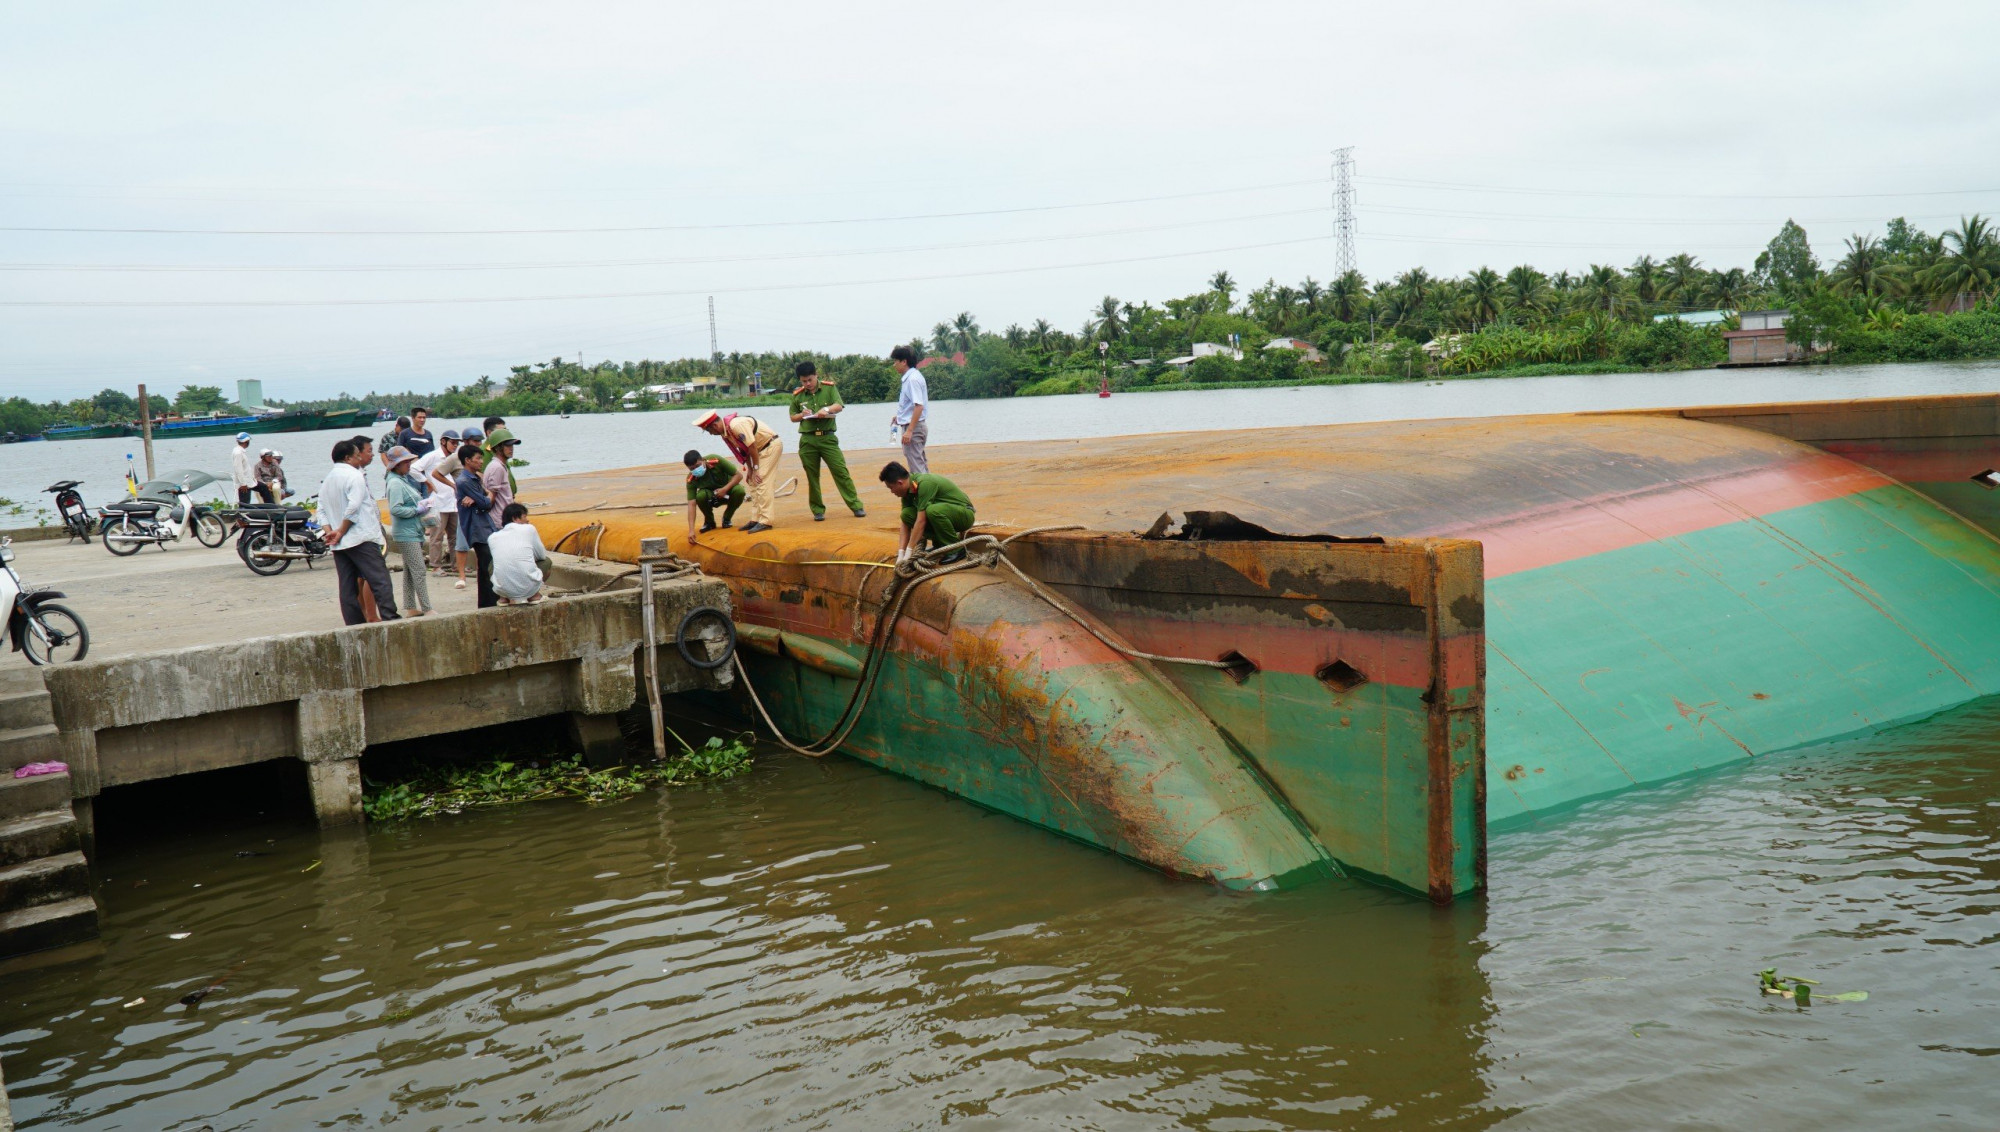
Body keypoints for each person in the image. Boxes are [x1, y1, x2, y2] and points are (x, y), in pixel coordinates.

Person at [320, 437, 400, 625]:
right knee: (380, 580)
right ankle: (390, 618)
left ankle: (354, 624)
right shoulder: (354, 476)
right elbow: (353, 507)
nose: (359, 460)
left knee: (347, 587)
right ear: (348, 458)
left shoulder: (328, 480)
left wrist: (330, 531)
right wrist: (340, 530)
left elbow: (321, 510)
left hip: (340, 544)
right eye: (357, 456)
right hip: (360, 537)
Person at [788, 361, 865, 522]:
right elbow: (792, 417)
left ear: (816, 376)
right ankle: (817, 510)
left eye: (810, 380)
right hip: (808, 440)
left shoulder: (829, 388)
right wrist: (802, 414)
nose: (807, 384)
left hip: (827, 438)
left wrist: (827, 409)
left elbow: (839, 405)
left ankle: (856, 505)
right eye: (803, 381)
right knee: (812, 476)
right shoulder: (798, 395)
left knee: (840, 471)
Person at [693, 410, 781, 534]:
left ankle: (766, 521)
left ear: (714, 426)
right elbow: (744, 450)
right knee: (752, 482)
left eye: (709, 431)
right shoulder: (727, 432)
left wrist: (755, 469)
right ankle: (756, 519)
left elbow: (752, 446)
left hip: (769, 446)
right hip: (758, 451)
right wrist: (750, 469)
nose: (711, 434)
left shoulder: (735, 425)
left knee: (761, 481)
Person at [880, 460, 974, 565]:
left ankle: (956, 549)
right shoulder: (907, 491)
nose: (892, 492)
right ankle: (940, 544)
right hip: (947, 515)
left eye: (891, 488)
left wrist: (909, 552)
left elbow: (921, 521)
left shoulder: (924, 483)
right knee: (906, 514)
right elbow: (905, 524)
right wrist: (901, 553)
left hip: (965, 515)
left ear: (900, 483)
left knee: (932, 511)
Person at [382, 446, 435, 617]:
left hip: (411, 530)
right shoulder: (396, 483)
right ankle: (427, 608)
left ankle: (411, 606)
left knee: (410, 570)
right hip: (406, 533)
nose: (409, 466)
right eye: (405, 463)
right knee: (419, 570)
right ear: (397, 465)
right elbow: (396, 509)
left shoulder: (401, 479)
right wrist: (416, 510)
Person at [438, 428, 483, 590]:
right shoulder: (455, 459)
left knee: (481, 542)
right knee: (461, 542)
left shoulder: (480, 457)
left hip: (478, 503)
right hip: (464, 506)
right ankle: (462, 576)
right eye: (476, 441)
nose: (479, 444)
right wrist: (453, 486)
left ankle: (481, 573)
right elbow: (437, 473)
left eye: (480, 441)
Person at [455, 445, 499, 608]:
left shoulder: (474, 478)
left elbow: (481, 500)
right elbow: (486, 502)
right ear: (467, 460)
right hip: (476, 527)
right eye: (478, 458)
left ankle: (486, 603)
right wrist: (488, 496)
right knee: (487, 564)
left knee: (484, 566)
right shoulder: (465, 481)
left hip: (483, 525)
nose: (481, 461)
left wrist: (481, 498)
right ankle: (490, 602)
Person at [488, 502, 551, 604]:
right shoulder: (529, 528)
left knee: (492, 564)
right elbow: (541, 555)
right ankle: (533, 595)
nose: (527, 520)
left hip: (501, 588)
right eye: (524, 517)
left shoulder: (493, 537)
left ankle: (503, 598)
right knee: (547, 562)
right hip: (528, 586)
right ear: (515, 518)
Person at [416, 430, 460, 573]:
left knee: (455, 536)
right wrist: (426, 482)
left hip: (453, 502)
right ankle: (435, 566)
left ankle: (456, 565)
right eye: (452, 442)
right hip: (438, 503)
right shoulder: (433, 456)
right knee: (437, 536)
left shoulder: (454, 458)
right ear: (443, 441)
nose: (455, 445)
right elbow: (414, 468)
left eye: (457, 443)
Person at [683, 450, 745, 542]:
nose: (695, 470)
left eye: (697, 466)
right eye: (692, 468)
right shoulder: (691, 479)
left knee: (740, 491)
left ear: (703, 460)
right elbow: (691, 504)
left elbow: (738, 475)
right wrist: (691, 531)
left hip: (727, 492)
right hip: (710, 497)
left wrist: (725, 489)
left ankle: (727, 518)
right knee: (700, 496)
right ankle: (709, 522)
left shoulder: (716, 460)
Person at [889, 344, 930, 474]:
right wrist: (900, 417)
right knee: (919, 463)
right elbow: (912, 405)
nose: (894, 365)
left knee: (917, 468)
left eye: (896, 361)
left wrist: (910, 431)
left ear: (904, 362)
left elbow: (919, 406)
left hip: (914, 427)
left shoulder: (912, 379)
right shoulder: (912, 377)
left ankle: (924, 492)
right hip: (914, 425)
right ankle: (929, 491)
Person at [482, 428, 519, 529]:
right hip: (499, 520)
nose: (511, 448)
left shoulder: (500, 465)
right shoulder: (497, 467)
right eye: (507, 445)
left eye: (512, 445)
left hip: (504, 518)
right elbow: (491, 497)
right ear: (498, 448)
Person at [482, 417, 516, 496]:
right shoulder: (484, 452)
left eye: (506, 430)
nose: (505, 434)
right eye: (501, 431)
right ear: (489, 433)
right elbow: (482, 479)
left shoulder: (503, 452)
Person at [230, 432, 257, 505]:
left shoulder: (240, 451)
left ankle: (270, 507)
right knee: (245, 503)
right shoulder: (238, 453)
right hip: (244, 484)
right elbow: (238, 469)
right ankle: (242, 514)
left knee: (263, 488)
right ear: (247, 441)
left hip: (248, 481)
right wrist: (243, 484)